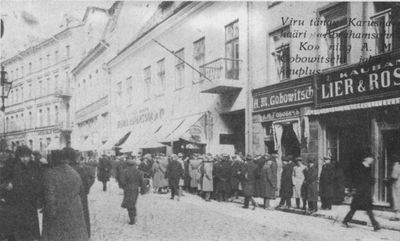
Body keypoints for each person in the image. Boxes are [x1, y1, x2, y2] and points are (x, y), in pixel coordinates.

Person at [41, 150, 89, 241]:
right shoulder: (74, 173)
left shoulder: (50, 174)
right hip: (75, 212)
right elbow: (82, 191)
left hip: (58, 213)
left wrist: (50, 215)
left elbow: (50, 197)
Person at [3, 145, 43, 241]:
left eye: (27, 156)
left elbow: (39, 182)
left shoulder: (34, 166)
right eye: (22, 156)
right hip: (15, 202)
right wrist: (6, 185)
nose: (25, 159)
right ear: (18, 156)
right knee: (17, 230)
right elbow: (3, 180)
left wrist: (39, 198)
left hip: (30, 203)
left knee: (30, 230)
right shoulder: (11, 165)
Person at [343, 154, 380, 231]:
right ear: (366, 159)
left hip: (365, 192)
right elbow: (356, 179)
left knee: (367, 208)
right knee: (355, 208)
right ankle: (345, 221)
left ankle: (375, 225)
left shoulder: (368, 168)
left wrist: (372, 181)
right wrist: (352, 189)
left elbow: (368, 180)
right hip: (360, 192)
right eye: (371, 158)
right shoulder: (359, 168)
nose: (372, 160)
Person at [64, 147, 95, 238]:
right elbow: (86, 184)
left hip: (67, 199)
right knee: (83, 216)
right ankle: (85, 234)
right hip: (81, 197)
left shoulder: (62, 169)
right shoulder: (80, 168)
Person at [120, 156, 146, 225]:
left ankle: (132, 219)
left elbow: (122, 182)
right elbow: (142, 182)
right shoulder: (139, 172)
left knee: (129, 204)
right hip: (135, 189)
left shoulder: (124, 172)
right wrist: (143, 190)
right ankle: (133, 215)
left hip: (127, 189)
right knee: (133, 202)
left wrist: (123, 187)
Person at [390, 154, 400, 221]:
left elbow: (394, 176)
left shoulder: (397, 165)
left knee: (396, 198)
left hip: (397, 184)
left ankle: (397, 215)